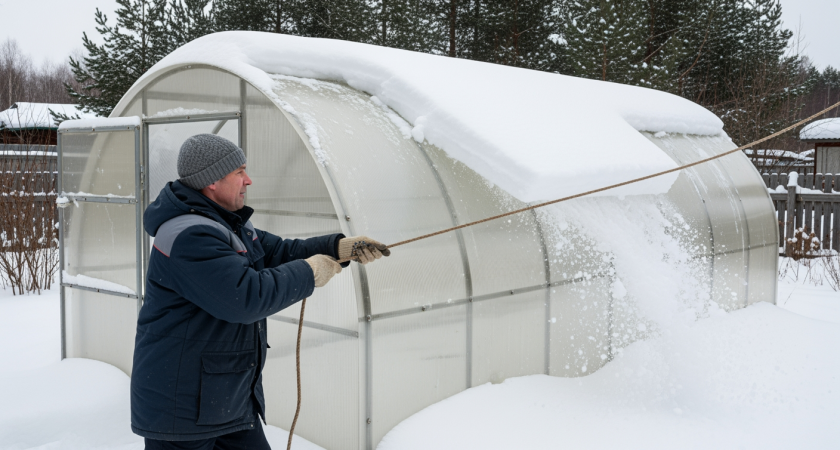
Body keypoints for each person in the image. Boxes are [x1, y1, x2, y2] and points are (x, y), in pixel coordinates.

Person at [131, 134, 389, 449]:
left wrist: (338, 248)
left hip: (225, 395)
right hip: (181, 408)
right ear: (212, 181)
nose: (248, 180)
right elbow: (245, 298)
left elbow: (279, 251)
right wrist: (310, 272)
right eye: (239, 171)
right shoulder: (190, 235)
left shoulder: (228, 223)